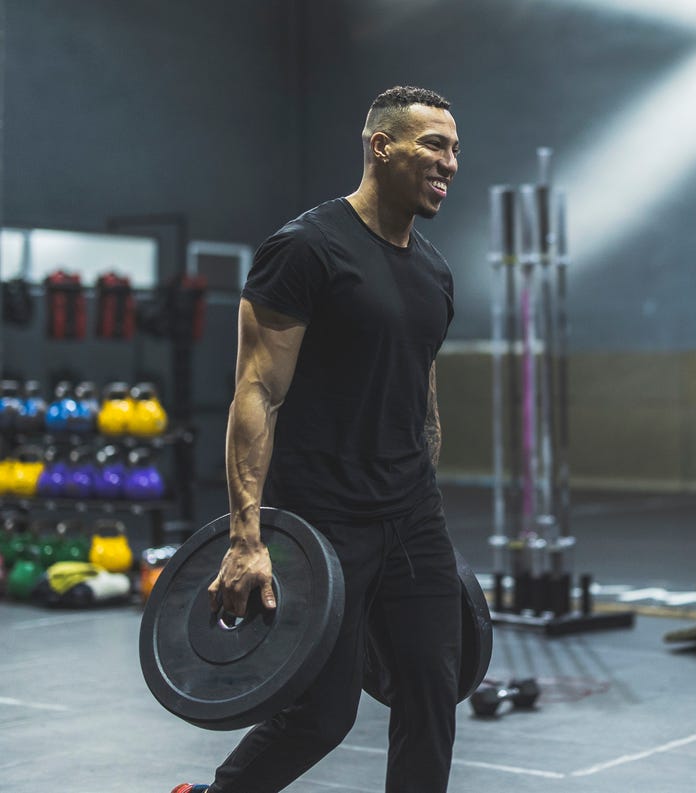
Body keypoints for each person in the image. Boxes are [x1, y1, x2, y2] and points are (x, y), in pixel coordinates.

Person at [172, 85, 462, 793]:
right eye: (434, 145)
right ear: (380, 145)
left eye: (454, 149)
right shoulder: (305, 248)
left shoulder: (434, 271)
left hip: (412, 518)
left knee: (432, 694)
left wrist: (428, 494)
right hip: (325, 523)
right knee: (322, 714)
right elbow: (256, 391)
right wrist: (248, 538)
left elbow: (420, 392)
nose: (449, 163)